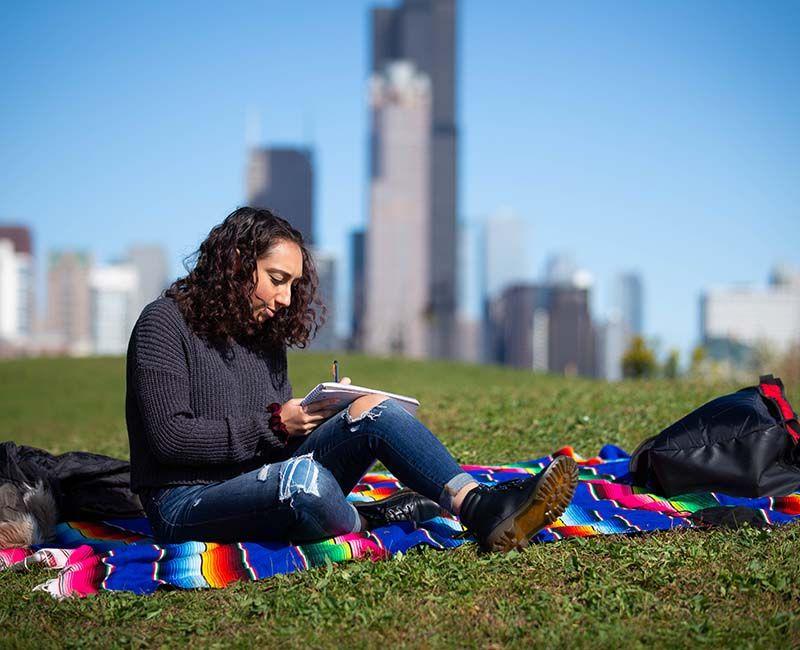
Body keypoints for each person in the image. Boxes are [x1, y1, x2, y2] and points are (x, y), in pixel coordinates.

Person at [126, 207, 579, 553]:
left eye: (293, 286)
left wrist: (323, 416)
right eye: (277, 279)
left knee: (372, 410)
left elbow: (273, 444)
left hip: (263, 477)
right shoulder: (162, 324)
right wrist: (275, 425)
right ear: (236, 263)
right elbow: (168, 440)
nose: (285, 299)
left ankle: (480, 506)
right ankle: (368, 519)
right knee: (302, 483)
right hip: (185, 502)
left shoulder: (264, 337)